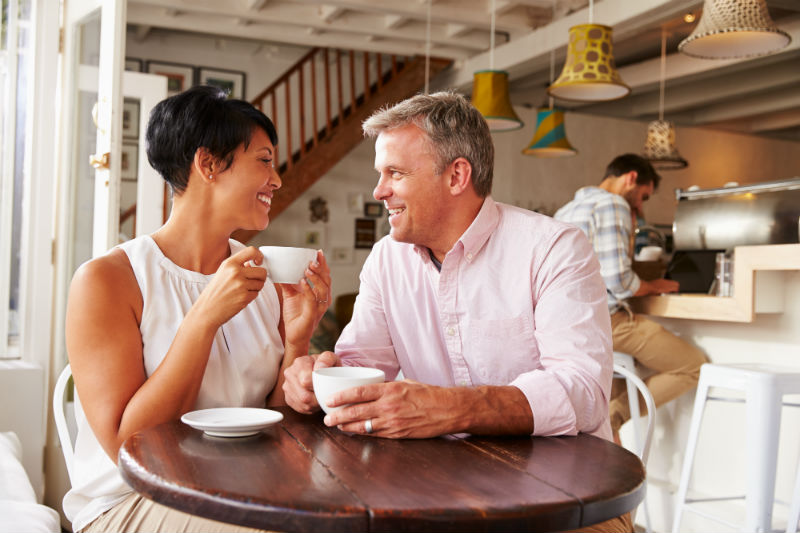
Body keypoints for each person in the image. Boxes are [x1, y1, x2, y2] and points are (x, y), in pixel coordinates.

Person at [283, 91, 630, 532]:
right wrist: (319, 379)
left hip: (567, 502)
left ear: (457, 175)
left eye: (395, 173)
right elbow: (361, 365)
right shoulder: (386, 259)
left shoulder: (554, 249)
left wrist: (450, 408)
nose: (378, 190)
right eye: (380, 173)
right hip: (443, 491)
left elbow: (583, 393)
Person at [63, 86, 331, 533]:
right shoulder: (107, 281)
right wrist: (203, 319)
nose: (277, 179)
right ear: (208, 164)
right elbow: (127, 447)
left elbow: (277, 426)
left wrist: (298, 338)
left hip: (244, 486)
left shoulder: (260, 276)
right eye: (264, 161)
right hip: (132, 498)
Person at [554, 153, 705, 438]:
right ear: (631, 177)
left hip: (571, 325)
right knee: (694, 366)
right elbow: (619, 281)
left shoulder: (567, 210)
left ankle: (614, 471)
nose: (639, 204)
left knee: (616, 389)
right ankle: (617, 414)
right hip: (607, 321)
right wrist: (654, 286)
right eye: (643, 196)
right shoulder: (613, 204)